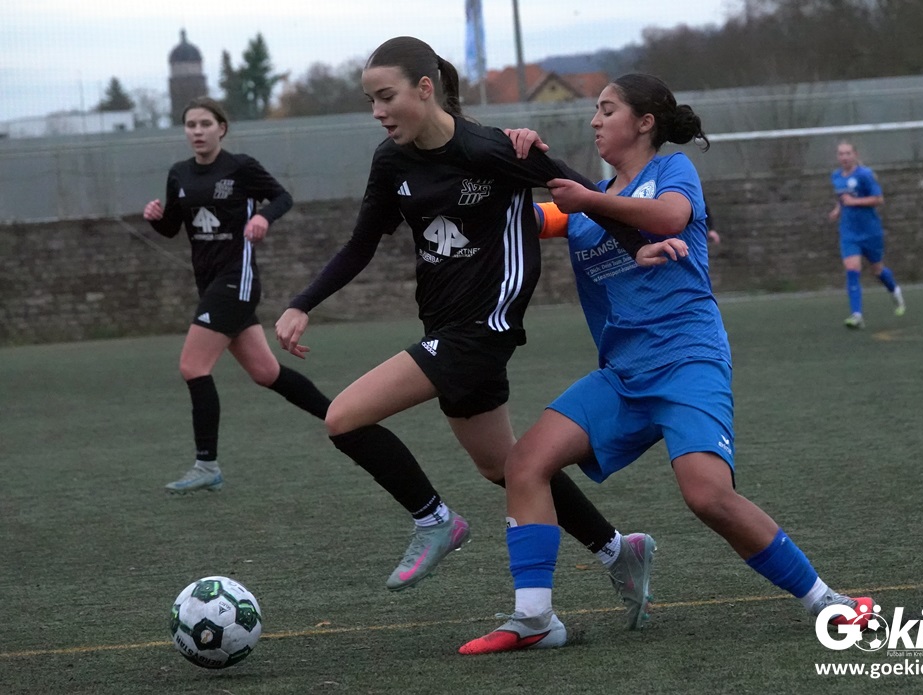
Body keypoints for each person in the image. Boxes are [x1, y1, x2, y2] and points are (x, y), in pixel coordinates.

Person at [460, 74, 874, 655]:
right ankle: (535, 619)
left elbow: (669, 218)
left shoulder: (672, 172)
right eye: (595, 111)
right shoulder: (583, 203)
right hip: (622, 375)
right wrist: (500, 157)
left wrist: (587, 200)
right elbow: (517, 223)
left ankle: (826, 601)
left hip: (687, 361)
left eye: (607, 110)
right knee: (524, 463)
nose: (595, 120)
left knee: (707, 495)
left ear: (645, 122)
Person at [274, 37, 659, 624]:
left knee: (343, 418)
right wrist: (303, 303)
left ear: (424, 88)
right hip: (444, 325)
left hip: (484, 329)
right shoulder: (391, 160)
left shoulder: (492, 149)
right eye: (370, 100)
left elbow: (584, 194)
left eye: (386, 97)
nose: (377, 111)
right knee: (506, 467)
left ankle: (435, 521)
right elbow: (360, 244)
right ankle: (618, 551)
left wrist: (643, 244)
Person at [143, 96, 332, 493]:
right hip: (210, 284)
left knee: (193, 366)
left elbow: (282, 198)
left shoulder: (241, 167)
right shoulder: (179, 174)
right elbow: (172, 228)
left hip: (237, 281)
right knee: (266, 373)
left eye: (205, 124)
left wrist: (263, 216)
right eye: (191, 125)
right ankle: (342, 416)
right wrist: (156, 218)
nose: (197, 131)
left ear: (222, 128)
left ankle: (206, 465)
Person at [828, 141, 905, 329]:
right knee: (852, 269)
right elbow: (842, 198)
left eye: (848, 153)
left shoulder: (865, 175)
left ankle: (894, 290)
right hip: (849, 232)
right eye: (841, 154)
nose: (844, 157)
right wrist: (838, 209)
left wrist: (854, 202)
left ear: (855, 155)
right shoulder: (836, 176)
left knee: (877, 270)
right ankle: (857, 315)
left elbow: (879, 199)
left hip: (870, 232)